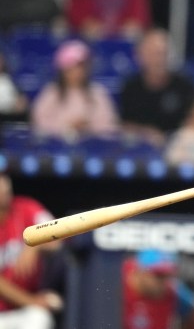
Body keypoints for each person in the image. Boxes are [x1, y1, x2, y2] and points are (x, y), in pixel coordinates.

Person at [0, 171, 64, 329]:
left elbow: (59, 236)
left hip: (25, 311)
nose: (4, 197)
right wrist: (31, 300)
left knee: (39, 318)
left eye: (7, 192)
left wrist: (34, 245)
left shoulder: (25, 208)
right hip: (11, 307)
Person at [119, 28, 194, 147]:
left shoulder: (185, 86)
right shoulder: (130, 87)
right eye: (154, 54)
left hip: (179, 149)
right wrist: (146, 133)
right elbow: (123, 125)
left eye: (164, 53)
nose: (160, 59)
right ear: (140, 56)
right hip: (140, 150)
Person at [31, 39, 119, 140]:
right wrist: (67, 128)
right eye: (71, 68)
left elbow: (109, 126)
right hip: (56, 149)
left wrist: (88, 127)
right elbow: (39, 123)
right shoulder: (51, 92)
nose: (76, 72)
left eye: (80, 67)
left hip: (92, 149)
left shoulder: (97, 92)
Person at [122, 248, 194, 329]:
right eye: (159, 275)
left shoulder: (172, 291)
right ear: (140, 272)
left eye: (168, 275)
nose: (164, 281)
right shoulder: (118, 280)